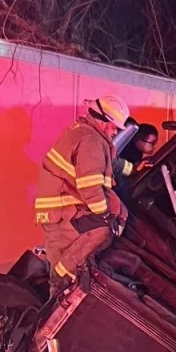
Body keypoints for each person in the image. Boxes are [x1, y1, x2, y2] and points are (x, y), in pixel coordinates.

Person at [35, 95, 130, 294]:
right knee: (100, 233)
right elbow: (90, 187)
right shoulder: (90, 140)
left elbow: (109, 163)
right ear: (104, 121)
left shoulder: (87, 134)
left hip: (63, 207)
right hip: (63, 210)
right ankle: (60, 282)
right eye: (115, 127)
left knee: (81, 245)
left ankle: (64, 281)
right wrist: (104, 215)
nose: (115, 132)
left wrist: (132, 168)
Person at [113, 122, 160, 205]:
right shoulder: (126, 150)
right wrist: (135, 169)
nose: (155, 147)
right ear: (138, 139)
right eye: (152, 143)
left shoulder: (138, 153)